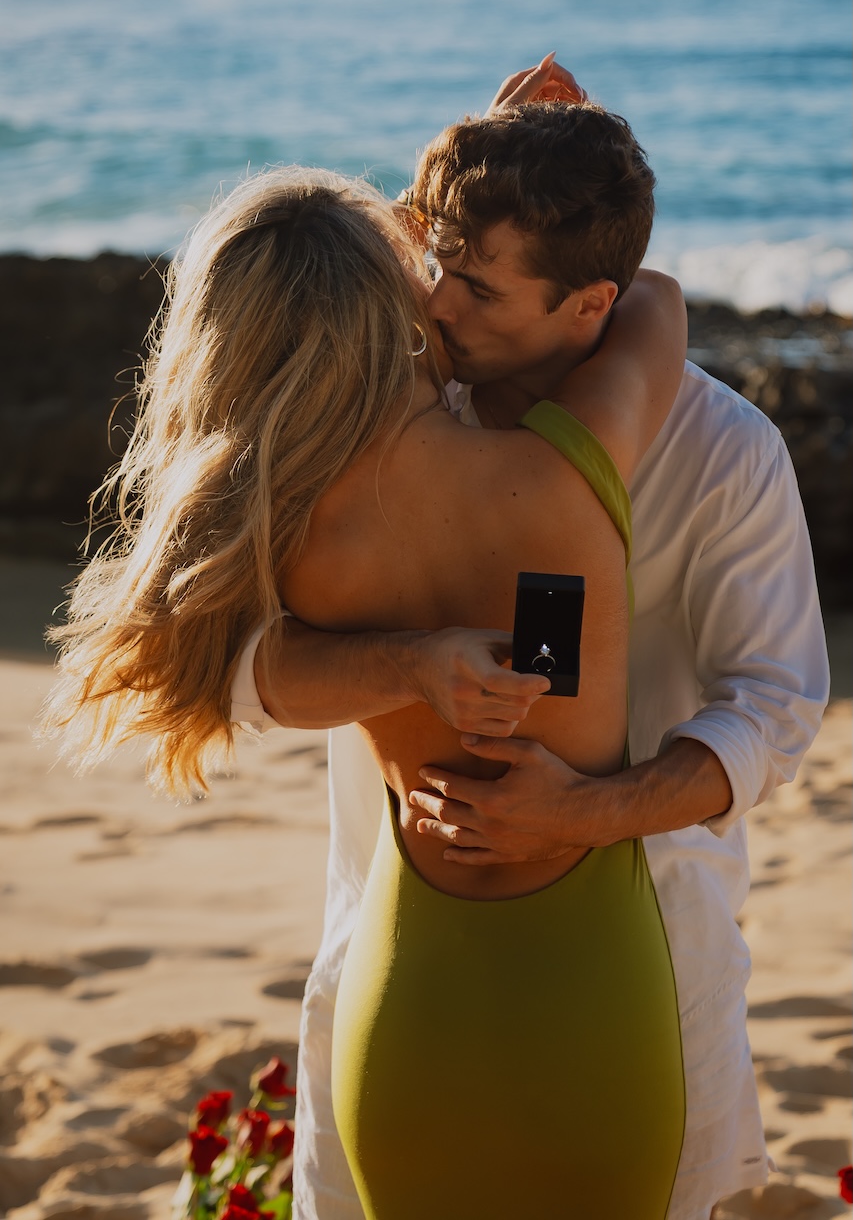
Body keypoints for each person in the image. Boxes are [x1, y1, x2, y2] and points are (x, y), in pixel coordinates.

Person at [44, 143, 691, 1214]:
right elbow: (653, 300)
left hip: (413, 996)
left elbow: (245, 675)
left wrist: (409, 662)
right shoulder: (563, 466)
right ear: (405, 300)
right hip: (591, 992)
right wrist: (507, 179)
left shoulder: (288, 542)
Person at [233, 65, 830, 1220]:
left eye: (475, 290)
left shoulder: (725, 452)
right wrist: (405, 662)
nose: (435, 308)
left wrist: (582, 808)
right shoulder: (374, 416)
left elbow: (775, 710)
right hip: (390, 945)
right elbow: (244, 677)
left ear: (589, 307)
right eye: (434, 269)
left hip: (642, 967)